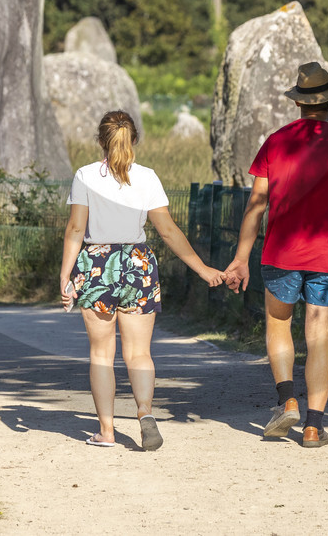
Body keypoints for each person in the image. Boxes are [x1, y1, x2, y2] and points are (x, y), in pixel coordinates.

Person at [224, 61, 328, 448]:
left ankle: (287, 400)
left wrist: (241, 257)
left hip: (279, 254)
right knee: (320, 336)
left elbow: (256, 205)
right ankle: (313, 426)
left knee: (278, 326)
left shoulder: (275, 143)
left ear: (299, 102)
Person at [60, 110, 225, 450]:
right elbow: (167, 230)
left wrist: (66, 276)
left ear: (100, 140)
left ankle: (106, 431)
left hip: (97, 265)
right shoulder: (148, 177)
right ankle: (145, 412)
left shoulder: (85, 175)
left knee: (102, 354)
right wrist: (203, 269)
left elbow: (76, 228)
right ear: (134, 139)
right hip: (138, 265)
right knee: (139, 353)